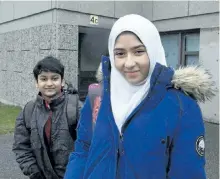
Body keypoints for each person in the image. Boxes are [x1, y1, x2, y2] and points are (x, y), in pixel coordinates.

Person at [64, 14, 216, 179]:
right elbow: (82, 150)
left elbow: (188, 173)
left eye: (138, 51)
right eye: (120, 53)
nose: (129, 63)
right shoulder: (97, 96)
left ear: (153, 50)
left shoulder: (182, 106)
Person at [12, 56, 82, 179]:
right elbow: (21, 147)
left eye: (54, 78)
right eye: (43, 79)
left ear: (62, 81)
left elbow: (88, 145)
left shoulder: (77, 108)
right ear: (36, 83)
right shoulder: (28, 111)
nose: (49, 83)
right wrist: (35, 173)